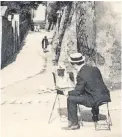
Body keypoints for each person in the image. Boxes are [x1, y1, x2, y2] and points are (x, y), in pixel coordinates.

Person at [57, 53, 111, 130]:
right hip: (105, 96)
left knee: (71, 99)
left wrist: (67, 93)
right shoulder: (95, 68)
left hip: (94, 99)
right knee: (91, 92)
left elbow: (77, 92)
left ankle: (74, 124)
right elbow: (94, 85)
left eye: (72, 64)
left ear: (74, 64)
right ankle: (95, 116)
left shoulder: (81, 74)